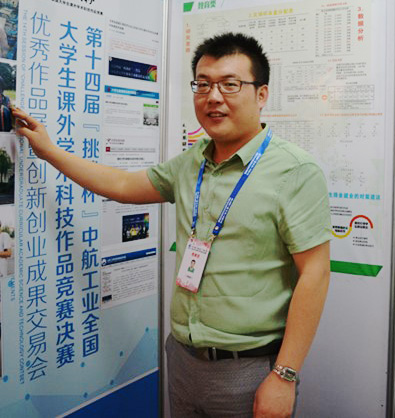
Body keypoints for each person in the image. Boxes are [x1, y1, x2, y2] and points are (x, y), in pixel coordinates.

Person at [13, 32, 331, 417]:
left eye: (230, 84)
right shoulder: (193, 161)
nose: (213, 97)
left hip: (247, 367)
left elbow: (315, 273)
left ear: (261, 94)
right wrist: (49, 151)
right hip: (182, 357)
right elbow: (122, 185)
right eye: (203, 84)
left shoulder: (295, 171)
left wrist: (284, 375)